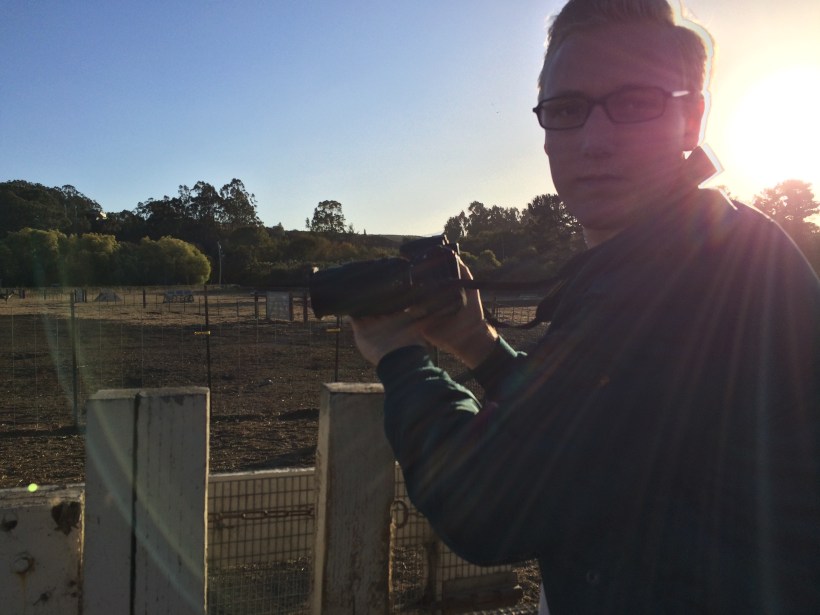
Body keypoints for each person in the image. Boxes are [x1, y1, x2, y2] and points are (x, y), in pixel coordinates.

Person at [351, 0, 820, 612]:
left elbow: (489, 506)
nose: (595, 141)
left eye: (635, 103)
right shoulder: (707, 244)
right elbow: (578, 427)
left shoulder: (682, 275)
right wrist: (476, 342)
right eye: (568, 109)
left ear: (691, 119)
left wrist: (400, 357)